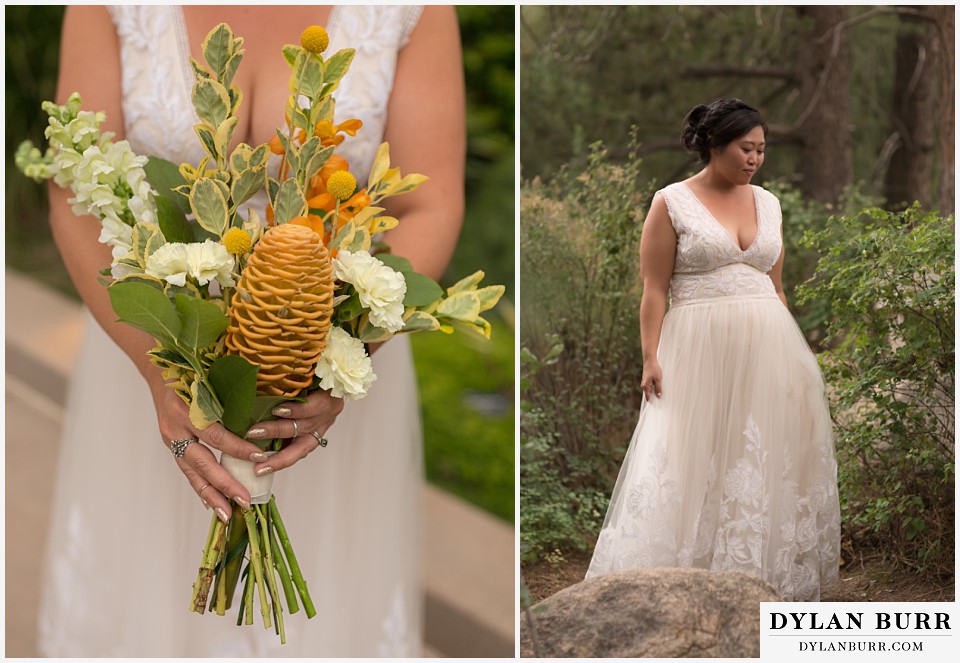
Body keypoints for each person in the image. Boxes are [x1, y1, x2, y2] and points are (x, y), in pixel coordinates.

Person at [38, 5, 465, 657]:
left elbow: (427, 200)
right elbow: (75, 189)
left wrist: (343, 349)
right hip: (149, 351)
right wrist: (162, 366)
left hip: (320, 375)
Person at [585, 99, 841, 601]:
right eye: (746, 148)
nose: (754, 159)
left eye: (762, 150)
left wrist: (794, 357)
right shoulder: (671, 201)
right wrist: (650, 357)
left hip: (769, 345)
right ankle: (681, 578)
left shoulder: (769, 204)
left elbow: (776, 286)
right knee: (692, 452)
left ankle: (756, 577)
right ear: (715, 144)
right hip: (696, 348)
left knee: (758, 455)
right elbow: (654, 288)